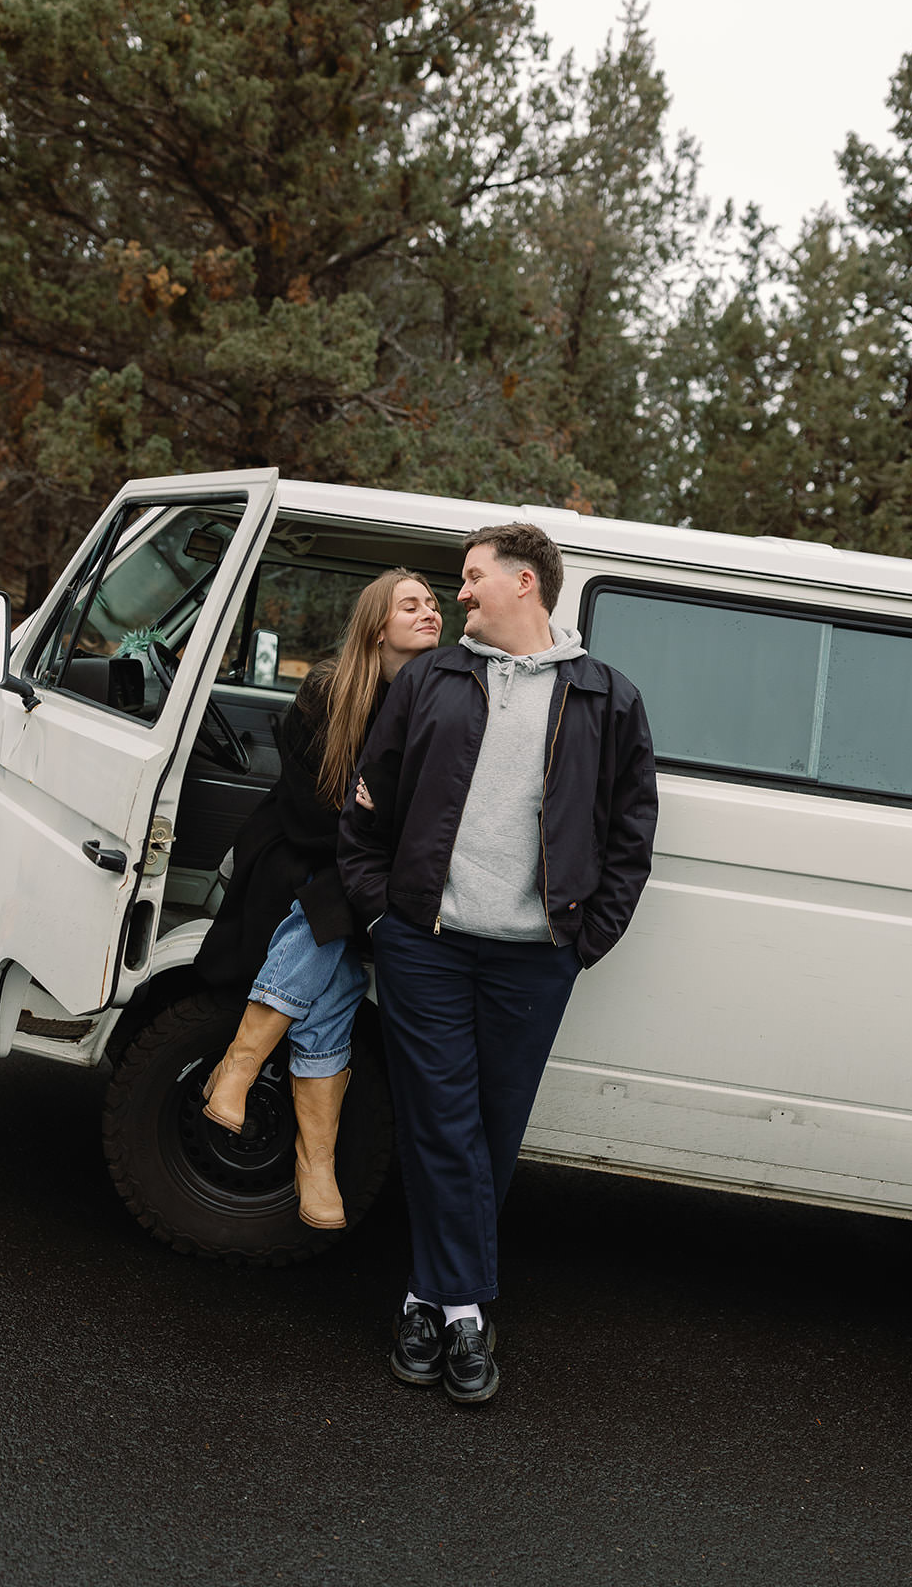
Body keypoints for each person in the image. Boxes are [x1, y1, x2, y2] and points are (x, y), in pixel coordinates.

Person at [338, 523, 658, 1403]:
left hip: (534, 960)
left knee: (490, 1130)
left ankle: (423, 1297)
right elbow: (367, 804)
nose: (461, 595)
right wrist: (384, 917)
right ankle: (468, 1313)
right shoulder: (434, 680)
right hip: (426, 949)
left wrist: (584, 940)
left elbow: (631, 838)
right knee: (441, 1120)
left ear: (526, 582)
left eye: (473, 579)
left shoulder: (607, 698)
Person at [193, 569, 442, 1231]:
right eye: (409, 605)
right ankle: (311, 1159)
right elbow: (311, 813)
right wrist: (372, 840)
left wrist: (375, 838)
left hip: (356, 871)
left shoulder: (436, 697)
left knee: (332, 965)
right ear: (376, 625)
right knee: (329, 915)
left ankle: (240, 1075)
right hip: (294, 854)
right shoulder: (327, 692)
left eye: (432, 603)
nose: (428, 612)